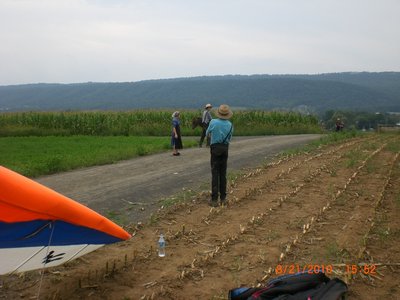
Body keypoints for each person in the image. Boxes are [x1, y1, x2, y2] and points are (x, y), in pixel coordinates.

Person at [206, 104, 233, 207]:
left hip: (215, 148)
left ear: (219, 113)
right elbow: (230, 138)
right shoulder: (230, 124)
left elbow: (207, 133)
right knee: (223, 174)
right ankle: (223, 198)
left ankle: (214, 200)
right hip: (225, 148)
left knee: (215, 173)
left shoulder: (213, 122)